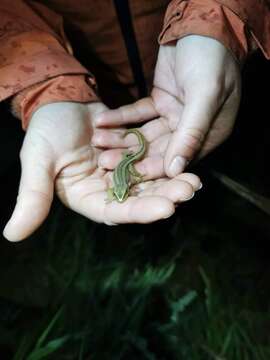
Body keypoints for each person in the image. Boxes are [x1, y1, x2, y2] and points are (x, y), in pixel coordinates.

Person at [0, 0, 269, 242]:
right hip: (104, 83)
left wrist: (212, 21)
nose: (119, 195)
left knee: (193, 157)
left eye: (118, 195)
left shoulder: (125, 180)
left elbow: (125, 179)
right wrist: (51, 90)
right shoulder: (123, 184)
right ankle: (148, 236)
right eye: (118, 196)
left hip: (171, 77)